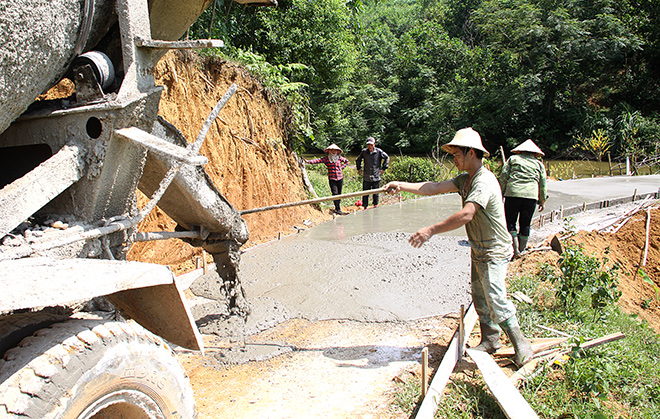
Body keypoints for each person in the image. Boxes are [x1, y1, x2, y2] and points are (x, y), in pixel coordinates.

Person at [384, 127, 533, 367]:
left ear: (472, 153)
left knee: (494, 296)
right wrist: (401, 184)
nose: (454, 158)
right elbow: (431, 188)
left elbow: (466, 214)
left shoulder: (484, 181)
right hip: (479, 247)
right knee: (479, 295)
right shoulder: (465, 179)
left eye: (457, 154)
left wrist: (430, 230)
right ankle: (491, 340)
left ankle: (521, 344)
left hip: (494, 248)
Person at [499, 139, 547, 258]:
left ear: (520, 151)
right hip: (531, 196)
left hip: (513, 194)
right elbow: (543, 184)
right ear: (535, 153)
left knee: (510, 222)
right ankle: (521, 250)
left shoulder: (512, 159)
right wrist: (542, 200)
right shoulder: (539, 164)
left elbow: (503, 177)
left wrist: (501, 194)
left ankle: (514, 250)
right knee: (525, 224)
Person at [305, 144, 350, 215]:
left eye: (334, 150)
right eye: (332, 150)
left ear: (337, 151)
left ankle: (337, 207)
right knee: (335, 193)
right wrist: (308, 162)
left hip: (340, 178)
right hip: (332, 179)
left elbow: (347, 161)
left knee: (339, 193)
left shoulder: (339, 158)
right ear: (329, 151)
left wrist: (342, 167)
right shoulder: (327, 159)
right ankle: (338, 208)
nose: (333, 151)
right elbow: (318, 160)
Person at [356, 137, 389, 209]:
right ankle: (365, 206)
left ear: (374, 144)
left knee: (376, 193)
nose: (369, 146)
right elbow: (358, 160)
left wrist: (383, 168)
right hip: (367, 176)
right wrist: (359, 168)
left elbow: (387, 157)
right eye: (368, 145)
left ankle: (375, 206)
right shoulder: (364, 152)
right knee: (365, 193)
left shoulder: (379, 152)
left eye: (371, 144)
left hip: (376, 175)